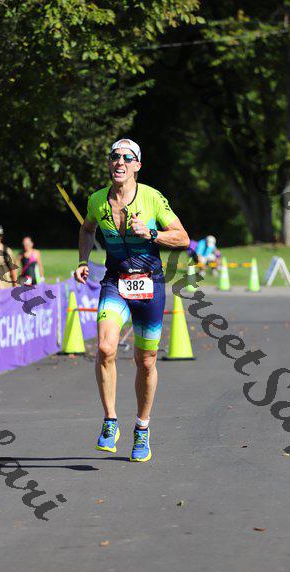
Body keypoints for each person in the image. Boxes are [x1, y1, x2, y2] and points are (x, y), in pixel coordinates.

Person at [75, 138, 189, 462]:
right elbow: (87, 230)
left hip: (149, 284)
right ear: (109, 162)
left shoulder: (152, 198)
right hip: (115, 282)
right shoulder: (97, 200)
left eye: (127, 157)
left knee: (146, 361)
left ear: (137, 165)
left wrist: (151, 234)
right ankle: (110, 421)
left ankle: (142, 427)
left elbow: (183, 238)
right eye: (115, 156)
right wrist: (83, 260)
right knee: (105, 348)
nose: (120, 162)